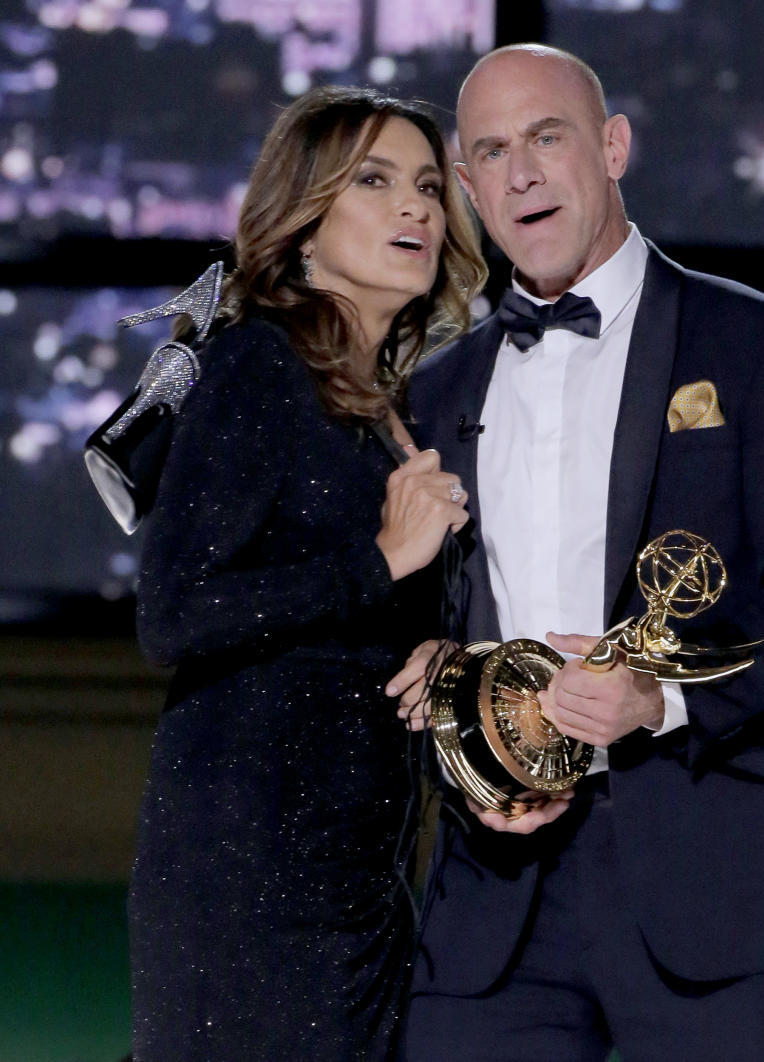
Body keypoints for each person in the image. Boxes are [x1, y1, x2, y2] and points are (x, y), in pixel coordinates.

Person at [388, 45, 764, 1062]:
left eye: (547, 136)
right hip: (497, 888)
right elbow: (428, 616)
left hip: (720, 867)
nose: (521, 171)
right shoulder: (436, 393)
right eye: (492, 152)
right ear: (470, 188)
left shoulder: (761, 345)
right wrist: (443, 682)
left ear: (612, 147)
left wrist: (658, 688)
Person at [128, 86, 486, 1062]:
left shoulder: (384, 405)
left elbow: (360, 629)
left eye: (424, 184)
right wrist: (379, 561)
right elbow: (173, 615)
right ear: (303, 224)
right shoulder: (258, 367)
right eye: (373, 181)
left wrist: (440, 655)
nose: (415, 206)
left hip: (360, 879)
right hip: (246, 883)